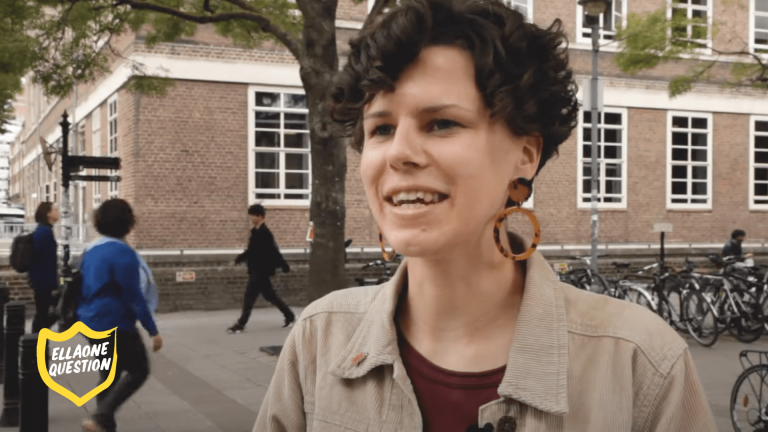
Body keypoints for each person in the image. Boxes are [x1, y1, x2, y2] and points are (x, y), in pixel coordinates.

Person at [254, 1, 717, 431]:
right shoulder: (318, 340)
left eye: (442, 123)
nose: (399, 153)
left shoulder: (640, 362)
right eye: (382, 128)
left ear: (525, 154)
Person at [78, 199, 163, 432]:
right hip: (114, 323)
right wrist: (152, 330)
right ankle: (100, 417)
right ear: (127, 222)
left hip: (90, 322)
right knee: (139, 370)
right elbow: (133, 297)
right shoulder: (122, 253)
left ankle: (103, 424)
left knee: (109, 375)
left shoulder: (91, 250)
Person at [228, 204, 295, 333]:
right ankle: (289, 315)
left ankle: (241, 324)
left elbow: (274, 251)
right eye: (251, 215)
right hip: (255, 269)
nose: (251, 218)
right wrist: (238, 260)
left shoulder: (266, 233)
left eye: (253, 215)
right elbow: (250, 251)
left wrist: (284, 265)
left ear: (260, 216)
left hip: (262, 271)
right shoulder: (254, 232)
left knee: (249, 297)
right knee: (270, 296)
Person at [28, 202, 59, 333]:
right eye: (54, 210)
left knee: (43, 314)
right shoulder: (45, 232)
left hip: (41, 281)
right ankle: (35, 347)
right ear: (48, 214)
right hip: (43, 282)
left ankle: (37, 347)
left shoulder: (44, 230)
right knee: (43, 315)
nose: (57, 212)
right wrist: (54, 284)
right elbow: (46, 261)